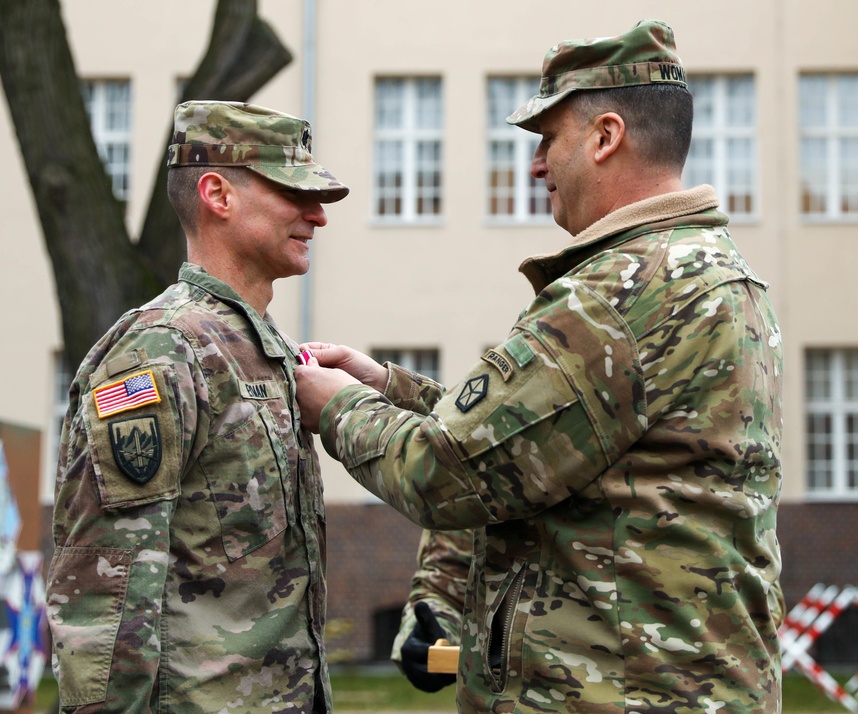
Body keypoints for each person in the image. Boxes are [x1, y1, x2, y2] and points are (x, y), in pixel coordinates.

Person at [295, 19, 784, 713]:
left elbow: (452, 470)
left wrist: (336, 407)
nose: (535, 166)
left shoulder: (617, 295)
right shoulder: (711, 272)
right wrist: (388, 386)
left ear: (606, 137)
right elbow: (543, 439)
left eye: (548, 141)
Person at [45, 101, 348, 713]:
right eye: (293, 192)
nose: (316, 215)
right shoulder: (163, 349)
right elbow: (107, 587)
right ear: (218, 194)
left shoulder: (262, 348)